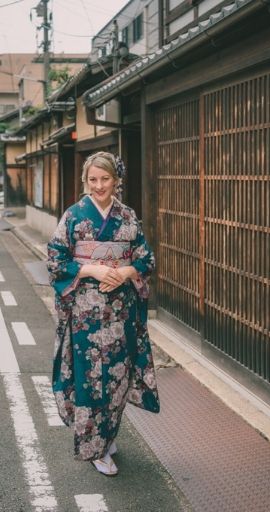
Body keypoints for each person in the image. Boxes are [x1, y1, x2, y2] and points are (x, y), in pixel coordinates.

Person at [46, 151, 160, 476]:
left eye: (105, 179)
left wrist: (125, 273)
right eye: (92, 180)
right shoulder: (74, 216)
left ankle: (108, 435)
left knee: (118, 377)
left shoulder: (128, 217)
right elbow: (55, 260)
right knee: (91, 379)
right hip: (85, 313)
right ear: (86, 180)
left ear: (117, 180)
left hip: (120, 311)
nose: (99, 186)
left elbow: (145, 259)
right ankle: (95, 447)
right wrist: (91, 269)